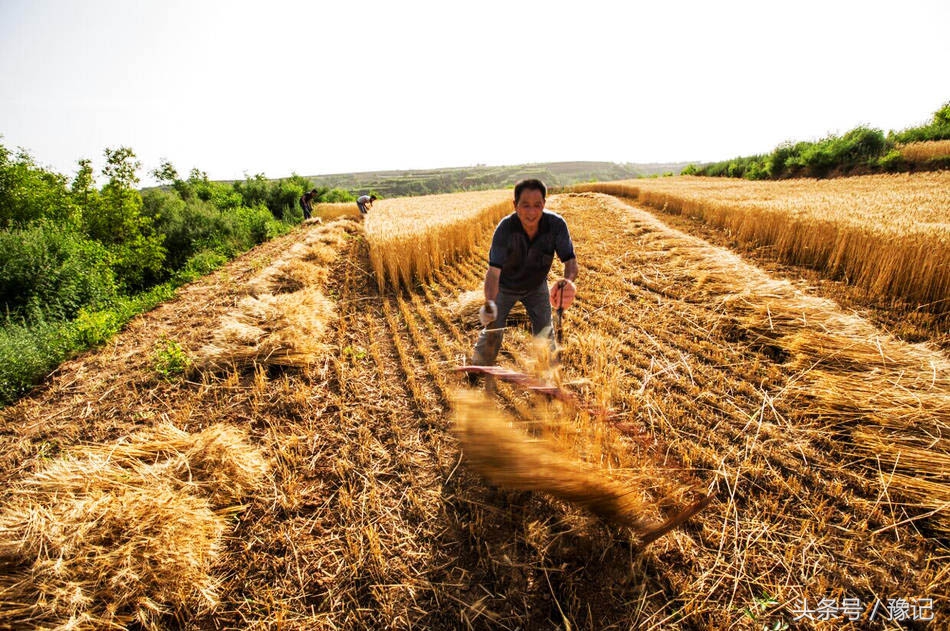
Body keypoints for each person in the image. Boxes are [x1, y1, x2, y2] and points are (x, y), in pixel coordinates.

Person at [470, 178, 578, 369]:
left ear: (544, 204)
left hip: (536, 287)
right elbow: (493, 272)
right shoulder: (505, 229)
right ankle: (478, 368)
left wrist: (568, 281)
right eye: (525, 205)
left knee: (545, 332)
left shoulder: (556, 225)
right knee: (493, 330)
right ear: (515, 206)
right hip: (505, 287)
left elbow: (570, 260)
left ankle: (549, 373)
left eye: (537, 205)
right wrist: (489, 303)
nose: (531, 212)